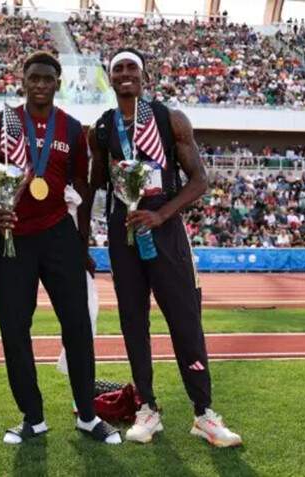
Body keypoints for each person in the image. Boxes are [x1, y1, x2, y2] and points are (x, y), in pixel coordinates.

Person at [83, 48, 242, 447]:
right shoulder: (101, 129)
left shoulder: (170, 118)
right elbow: (91, 186)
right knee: (133, 321)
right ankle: (147, 408)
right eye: (117, 69)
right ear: (110, 76)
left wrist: (162, 214)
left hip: (166, 228)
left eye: (131, 68)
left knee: (185, 320)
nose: (124, 74)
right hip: (124, 233)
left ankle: (204, 413)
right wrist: (80, 238)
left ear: (143, 74)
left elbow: (199, 179)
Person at [0, 52, 121, 445]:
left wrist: (82, 245)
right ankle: (33, 417)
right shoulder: (0, 124)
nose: (40, 84)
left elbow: (81, 189)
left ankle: (88, 416)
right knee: (14, 330)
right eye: (33, 78)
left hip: (59, 235)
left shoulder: (74, 129)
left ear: (58, 83)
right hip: (10, 238)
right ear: (22, 81)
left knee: (77, 326)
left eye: (47, 78)